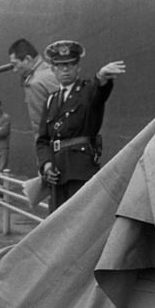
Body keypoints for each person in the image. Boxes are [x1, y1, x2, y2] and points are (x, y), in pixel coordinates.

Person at [35, 40, 125, 212]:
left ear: (78, 67)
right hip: (56, 173)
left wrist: (101, 77)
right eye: (60, 65)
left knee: (80, 225)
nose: (65, 69)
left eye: (70, 64)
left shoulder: (87, 91)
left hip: (80, 170)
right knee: (57, 226)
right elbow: (43, 140)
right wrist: (46, 164)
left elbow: (99, 91)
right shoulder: (51, 100)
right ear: (53, 69)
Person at [8, 38, 60, 141]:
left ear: (27, 59)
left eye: (15, 64)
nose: (14, 70)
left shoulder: (34, 83)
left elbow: (40, 125)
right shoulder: (55, 71)